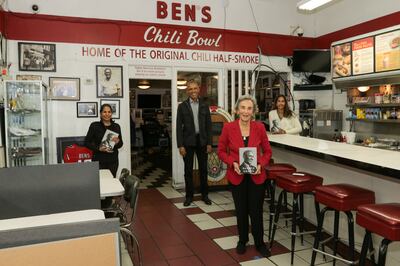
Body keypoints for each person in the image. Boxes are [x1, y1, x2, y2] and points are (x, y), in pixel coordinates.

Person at [218, 95, 272, 257]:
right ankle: (242, 240)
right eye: (243, 108)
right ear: (236, 110)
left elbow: (268, 151)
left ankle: (259, 242)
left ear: (253, 111)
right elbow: (221, 151)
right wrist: (232, 163)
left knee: (256, 210)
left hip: (256, 175)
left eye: (249, 108)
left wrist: (260, 165)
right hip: (237, 175)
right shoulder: (228, 128)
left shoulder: (260, 127)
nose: (246, 111)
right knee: (241, 210)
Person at [176, 79, 212, 207]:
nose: (193, 91)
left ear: (198, 89)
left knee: (203, 170)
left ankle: (205, 195)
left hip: (202, 141)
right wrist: (180, 145)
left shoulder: (204, 105)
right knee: (188, 171)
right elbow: (178, 127)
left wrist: (209, 143)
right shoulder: (182, 106)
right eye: (190, 89)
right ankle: (189, 196)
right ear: (187, 91)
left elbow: (209, 125)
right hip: (188, 142)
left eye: (195, 88)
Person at [85, 103, 123, 177]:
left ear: (111, 113)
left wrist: (118, 142)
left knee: (111, 183)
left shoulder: (116, 126)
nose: (107, 114)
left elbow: (121, 144)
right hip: (99, 161)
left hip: (113, 161)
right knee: (100, 183)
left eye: (109, 112)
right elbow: (86, 143)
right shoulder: (94, 126)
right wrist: (98, 148)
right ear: (100, 113)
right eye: (104, 112)